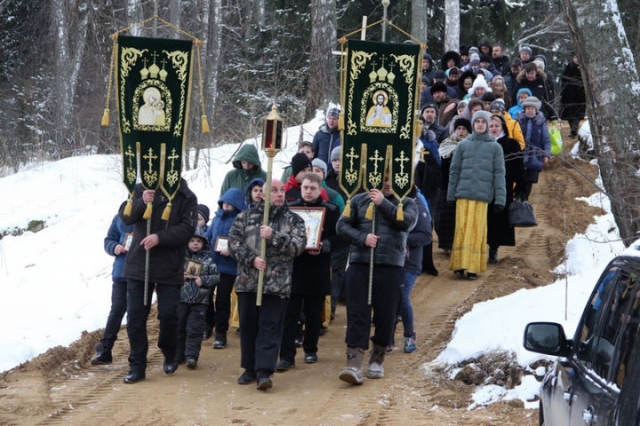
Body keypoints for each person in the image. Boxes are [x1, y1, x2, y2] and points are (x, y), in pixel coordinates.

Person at [337, 174, 418, 385]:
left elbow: (406, 223)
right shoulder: (357, 200)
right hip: (360, 263)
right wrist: (362, 238)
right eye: (383, 177)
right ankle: (354, 363)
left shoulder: (407, 202)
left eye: (391, 178)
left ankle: (377, 357)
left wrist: (383, 203)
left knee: (386, 315)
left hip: (391, 266)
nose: (387, 183)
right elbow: (342, 226)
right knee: (357, 313)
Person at [228, 179, 307, 390]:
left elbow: (297, 246)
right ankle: (249, 368)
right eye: (274, 190)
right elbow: (234, 243)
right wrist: (252, 259)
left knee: (269, 327)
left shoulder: (294, 220)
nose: (280, 194)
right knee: (248, 326)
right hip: (249, 282)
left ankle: (264, 371)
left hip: (276, 284)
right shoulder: (245, 217)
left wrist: (274, 236)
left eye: (282, 190)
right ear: (262, 194)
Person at [118, 178, 197, 384]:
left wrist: (160, 237)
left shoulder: (186, 196)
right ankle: (137, 365)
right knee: (135, 318)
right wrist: (141, 202)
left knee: (169, 315)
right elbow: (125, 218)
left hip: (169, 266)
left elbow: (188, 228)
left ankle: (169, 350)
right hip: (139, 264)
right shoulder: (139, 189)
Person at [276, 173, 340, 371]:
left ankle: (310, 349)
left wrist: (326, 245)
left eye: (313, 188)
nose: (309, 191)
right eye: (305, 188)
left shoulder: (331, 210)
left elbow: (340, 237)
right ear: (300, 188)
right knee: (289, 313)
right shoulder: (290, 209)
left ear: (319, 188)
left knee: (313, 313)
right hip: (294, 267)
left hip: (317, 267)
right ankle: (286, 356)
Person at [447, 110, 506, 280]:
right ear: (473, 124)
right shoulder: (463, 145)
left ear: (487, 124)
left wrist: (500, 199)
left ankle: (472, 267)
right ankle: (459, 264)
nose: (480, 124)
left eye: (483, 121)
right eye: (477, 121)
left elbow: (499, 174)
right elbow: (454, 171)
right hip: (463, 196)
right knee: (462, 229)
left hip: (482, 198)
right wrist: (451, 195)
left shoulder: (495, 147)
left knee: (476, 231)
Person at [90, 214, 135, 365]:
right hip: (120, 273)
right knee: (116, 309)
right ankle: (105, 348)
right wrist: (114, 247)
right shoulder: (120, 216)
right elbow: (109, 240)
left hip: (140, 275)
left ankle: (136, 353)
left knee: (136, 314)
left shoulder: (150, 215)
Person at [207, 188, 247, 349]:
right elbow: (208, 237)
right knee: (206, 296)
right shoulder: (216, 219)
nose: (226, 206)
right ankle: (208, 324)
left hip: (229, 266)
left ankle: (221, 333)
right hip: (212, 263)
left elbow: (244, 242)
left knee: (223, 299)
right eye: (224, 203)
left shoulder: (240, 220)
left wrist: (232, 250)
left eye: (229, 204)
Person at [176, 228, 220, 369]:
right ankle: (178, 355)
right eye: (192, 241)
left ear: (203, 243)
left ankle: (191, 356)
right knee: (179, 327)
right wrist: (179, 277)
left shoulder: (208, 260)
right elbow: (169, 273)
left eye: (198, 241)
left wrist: (203, 280)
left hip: (200, 301)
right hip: (181, 299)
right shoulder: (180, 258)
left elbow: (216, 277)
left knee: (195, 329)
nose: (195, 244)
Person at [396, 186, 432, 353]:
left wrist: (402, 238)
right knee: (388, 300)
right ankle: (387, 338)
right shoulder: (390, 204)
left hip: (410, 262)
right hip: (390, 260)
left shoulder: (418, 207)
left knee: (402, 298)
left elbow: (426, 236)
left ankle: (409, 335)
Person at [486, 114, 526, 264]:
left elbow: (518, 166)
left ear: (502, 127)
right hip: (485, 187)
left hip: (504, 186)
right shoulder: (484, 143)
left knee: (499, 219)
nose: (494, 129)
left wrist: (521, 187)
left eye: (496, 126)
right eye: (491, 126)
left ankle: (493, 249)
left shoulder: (511, 144)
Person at [436, 118, 471, 255]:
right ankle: (447, 244)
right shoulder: (446, 144)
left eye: (464, 129)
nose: (461, 132)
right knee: (445, 216)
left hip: (464, 185)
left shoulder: (470, 145)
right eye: (459, 129)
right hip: (446, 185)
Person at [515, 96, 551, 202]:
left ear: (536, 110)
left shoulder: (541, 123)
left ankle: (525, 199)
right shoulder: (518, 121)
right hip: (520, 156)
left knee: (530, 180)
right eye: (528, 108)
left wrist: (546, 154)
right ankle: (518, 197)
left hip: (535, 157)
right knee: (519, 178)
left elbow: (546, 140)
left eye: (532, 108)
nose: (530, 110)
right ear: (524, 109)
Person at [560, 55, 586, 138]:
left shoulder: (583, 68)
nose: (577, 59)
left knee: (577, 115)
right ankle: (573, 130)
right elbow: (563, 79)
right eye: (575, 58)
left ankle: (574, 130)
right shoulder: (568, 67)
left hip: (580, 95)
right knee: (569, 115)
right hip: (568, 95)